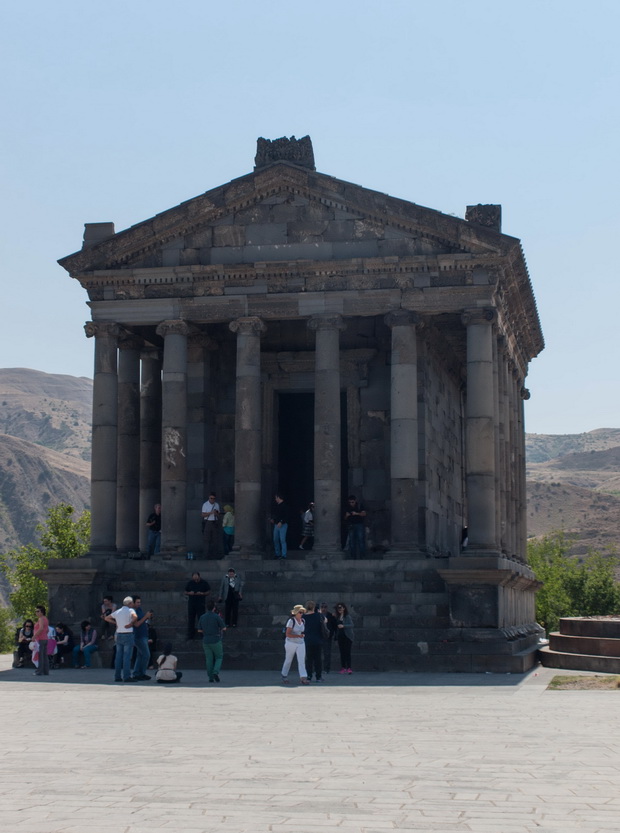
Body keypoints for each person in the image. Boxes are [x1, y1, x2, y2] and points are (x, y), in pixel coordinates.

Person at [105, 596, 137, 682]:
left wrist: (116, 623)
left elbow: (107, 618)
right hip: (128, 634)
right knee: (127, 657)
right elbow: (135, 617)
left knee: (118, 656)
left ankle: (117, 676)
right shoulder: (130, 610)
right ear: (130, 603)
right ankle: (126, 676)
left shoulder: (118, 611)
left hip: (119, 634)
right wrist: (131, 624)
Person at [197, 600, 226, 683]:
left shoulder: (202, 617)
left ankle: (210, 677)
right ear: (214, 608)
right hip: (216, 639)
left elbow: (199, 630)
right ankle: (215, 672)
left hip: (206, 640)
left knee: (209, 659)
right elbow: (224, 628)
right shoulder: (216, 616)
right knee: (219, 657)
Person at [281, 604, 309, 685]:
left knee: (301, 660)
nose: (301, 614)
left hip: (300, 642)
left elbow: (302, 631)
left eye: (302, 612)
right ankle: (284, 675)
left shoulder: (303, 621)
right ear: (295, 613)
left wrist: (301, 635)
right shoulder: (291, 621)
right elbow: (288, 634)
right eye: (300, 612)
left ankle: (303, 677)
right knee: (288, 659)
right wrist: (298, 635)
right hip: (291, 642)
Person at [131, 596, 153, 681]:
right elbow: (136, 624)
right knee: (146, 654)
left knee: (140, 655)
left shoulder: (139, 609)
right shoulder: (132, 612)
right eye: (137, 602)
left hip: (143, 634)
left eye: (140, 602)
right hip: (138, 635)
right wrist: (145, 617)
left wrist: (148, 617)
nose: (139, 604)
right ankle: (141, 673)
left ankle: (138, 673)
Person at [185, 571, 211, 639]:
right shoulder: (190, 583)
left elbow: (208, 591)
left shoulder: (204, 583)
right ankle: (190, 635)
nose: (195, 580)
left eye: (197, 578)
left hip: (200, 603)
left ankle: (202, 634)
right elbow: (185, 591)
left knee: (201, 619)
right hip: (191, 603)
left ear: (199, 577)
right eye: (194, 579)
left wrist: (202, 593)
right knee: (191, 620)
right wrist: (189, 593)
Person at [302, 600, 324, 682]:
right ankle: (318, 677)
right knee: (318, 659)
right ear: (314, 607)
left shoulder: (303, 617)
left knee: (309, 659)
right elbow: (325, 621)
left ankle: (309, 676)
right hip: (317, 639)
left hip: (307, 640)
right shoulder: (318, 615)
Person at [344, 495, 366, 559]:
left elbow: (364, 514)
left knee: (361, 540)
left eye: (352, 502)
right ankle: (353, 556)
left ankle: (362, 556)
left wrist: (356, 513)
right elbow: (344, 518)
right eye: (350, 502)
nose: (351, 504)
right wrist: (347, 516)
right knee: (351, 541)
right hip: (351, 525)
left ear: (355, 501)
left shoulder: (359, 506)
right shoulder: (347, 507)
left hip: (359, 524)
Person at [335, 602, 354, 674]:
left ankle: (349, 667)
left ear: (344, 608)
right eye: (338, 608)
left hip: (347, 636)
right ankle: (343, 667)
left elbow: (352, 625)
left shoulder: (347, 616)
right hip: (340, 636)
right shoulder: (337, 616)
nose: (339, 609)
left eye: (341, 607)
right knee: (342, 652)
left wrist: (344, 626)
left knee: (347, 652)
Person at [202, 492, 222, 558]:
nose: (212, 500)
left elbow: (219, 514)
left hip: (215, 522)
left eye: (214, 498)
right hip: (208, 522)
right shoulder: (205, 504)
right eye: (211, 498)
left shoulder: (217, 505)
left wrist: (216, 513)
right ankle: (206, 555)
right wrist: (211, 513)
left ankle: (214, 555)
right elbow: (202, 515)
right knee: (206, 539)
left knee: (215, 539)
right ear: (209, 498)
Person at [319, 602, 336, 674]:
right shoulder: (317, 615)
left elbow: (334, 626)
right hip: (318, 636)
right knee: (317, 653)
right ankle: (317, 668)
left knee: (327, 654)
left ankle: (326, 669)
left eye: (325, 607)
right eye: (322, 607)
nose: (323, 608)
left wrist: (333, 634)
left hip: (327, 637)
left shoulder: (330, 616)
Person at [33, 605, 50, 677]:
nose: (36, 613)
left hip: (40, 639)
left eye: (38, 611)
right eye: (36, 611)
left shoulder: (40, 619)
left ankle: (39, 671)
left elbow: (41, 628)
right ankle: (46, 671)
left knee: (40, 656)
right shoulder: (45, 619)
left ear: (42, 612)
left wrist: (35, 636)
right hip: (45, 638)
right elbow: (47, 629)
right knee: (45, 656)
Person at [270, 494, 289, 559]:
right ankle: (277, 554)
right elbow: (276, 515)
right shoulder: (276, 506)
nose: (275, 499)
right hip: (276, 525)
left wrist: (281, 522)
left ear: (279, 498)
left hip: (283, 525)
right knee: (275, 539)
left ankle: (284, 555)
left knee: (282, 540)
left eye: (276, 498)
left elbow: (287, 516)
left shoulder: (285, 506)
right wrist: (273, 520)